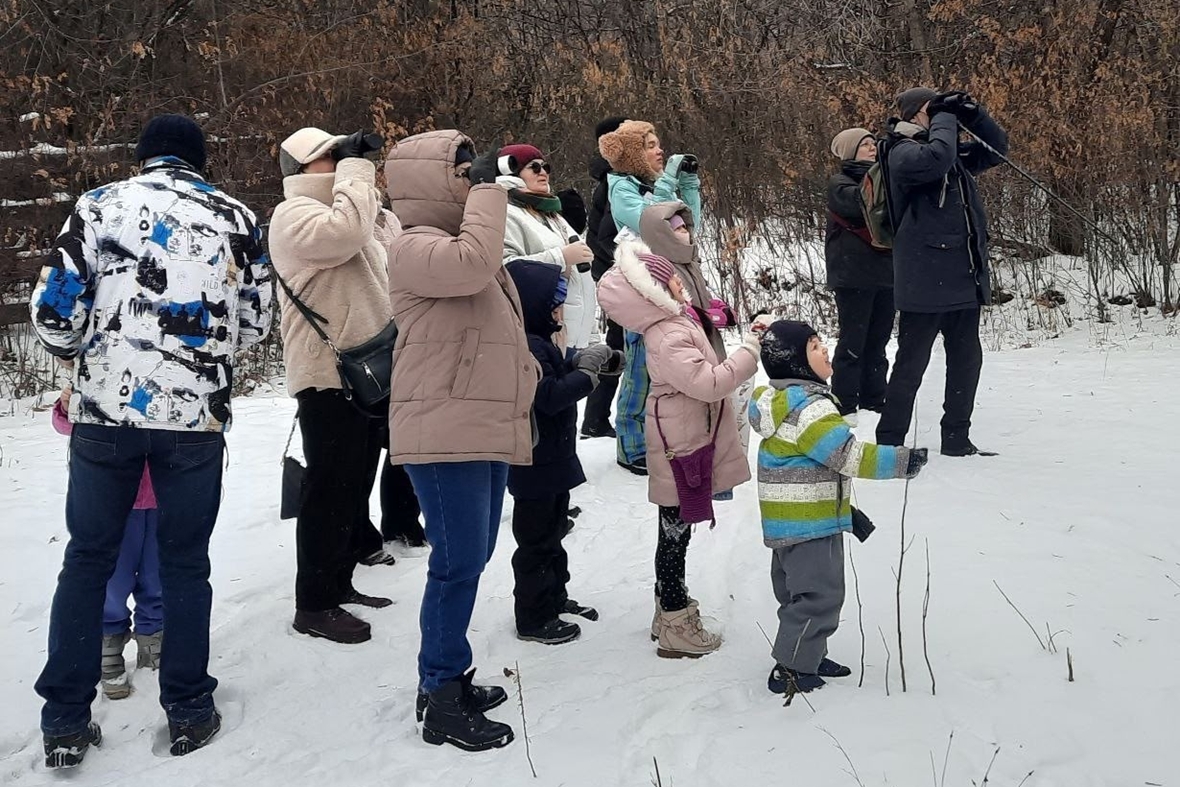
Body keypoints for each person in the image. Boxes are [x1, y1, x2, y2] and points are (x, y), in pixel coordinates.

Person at [29, 113, 272, 766]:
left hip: (104, 415)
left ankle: (64, 721)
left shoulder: (98, 206)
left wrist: (82, 356)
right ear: (198, 160)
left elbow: (53, 309)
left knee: (87, 559)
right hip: (194, 419)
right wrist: (204, 355)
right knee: (186, 561)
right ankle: (189, 707)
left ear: (142, 159)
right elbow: (257, 320)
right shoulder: (239, 217)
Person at [385, 130, 538, 752]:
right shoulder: (414, 247)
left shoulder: (457, 242)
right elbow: (474, 265)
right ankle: (441, 693)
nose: (470, 176)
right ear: (426, 179)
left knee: (468, 560)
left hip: (475, 425)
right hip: (442, 430)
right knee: (455, 564)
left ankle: (443, 678)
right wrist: (486, 188)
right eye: (459, 168)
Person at [597, 239, 762, 658]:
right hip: (682, 444)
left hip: (685, 436)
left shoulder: (676, 320)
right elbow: (707, 383)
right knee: (675, 532)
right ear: (653, 290)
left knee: (676, 529)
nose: (676, 277)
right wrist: (749, 354)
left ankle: (666, 608)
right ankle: (675, 620)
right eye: (665, 273)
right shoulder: (668, 333)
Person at [270, 127, 400, 645]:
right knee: (329, 490)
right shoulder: (293, 217)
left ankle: (339, 581)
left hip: (366, 371)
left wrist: (363, 186)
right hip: (327, 375)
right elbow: (343, 235)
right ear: (301, 169)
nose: (343, 161)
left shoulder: (353, 210)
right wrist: (355, 171)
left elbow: (384, 242)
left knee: (354, 484)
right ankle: (315, 603)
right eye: (329, 156)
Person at [748, 320, 927, 694]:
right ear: (796, 362)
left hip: (787, 525)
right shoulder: (810, 410)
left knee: (798, 594)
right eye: (814, 346)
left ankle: (806, 653)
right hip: (811, 525)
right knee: (819, 596)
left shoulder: (780, 405)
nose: (825, 350)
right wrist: (901, 461)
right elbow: (847, 456)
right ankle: (792, 670)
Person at [874, 88, 1009, 455]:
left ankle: (956, 437)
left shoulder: (946, 147)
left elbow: (997, 150)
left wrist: (974, 115)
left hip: (963, 274)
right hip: (923, 278)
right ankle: (889, 441)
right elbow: (936, 160)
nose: (942, 118)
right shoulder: (901, 151)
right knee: (911, 363)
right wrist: (945, 118)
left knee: (967, 360)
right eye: (933, 110)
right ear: (918, 113)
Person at [505, 260, 621, 645]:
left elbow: (556, 376)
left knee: (554, 532)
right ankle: (534, 616)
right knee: (536, 541)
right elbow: (549, 396)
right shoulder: (525, 345)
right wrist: (586, 374)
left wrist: (585, 361)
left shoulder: (540, 339)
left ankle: (554, 597)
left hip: (552, 459)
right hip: (534, 462)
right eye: (554, 302)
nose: (560, 309)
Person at [597, 119, 702, 475]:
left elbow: (687, 224)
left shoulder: (656, 184)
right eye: (650, 145)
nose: (660, 151)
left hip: (672, 278)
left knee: (674, 361)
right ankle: (632, 445)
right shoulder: (620, 187)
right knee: (641, 363)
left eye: (660, 144)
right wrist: (669, 181)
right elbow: (652, 222)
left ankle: (663, 436)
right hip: (639, 286)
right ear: (630, 155)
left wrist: (688, 184)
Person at [51, 384, 162, 701]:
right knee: (113, 578)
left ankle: (153, 639)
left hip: (161, 498)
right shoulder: (105, 373)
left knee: (159, 574)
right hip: (113, 503)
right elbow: (66, 425)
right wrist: (67, 404)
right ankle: (108, 644)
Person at [497, 143, 598, 354]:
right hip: (539, 335)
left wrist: (591, 337)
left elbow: (582, 281)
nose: (542, 172)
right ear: (511, 171)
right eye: (534, 167)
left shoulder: (551, 213)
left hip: (571, 336)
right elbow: (506, 269)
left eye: (546, 167)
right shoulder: (504, 212)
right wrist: (561, 256)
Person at [825, 127, 895, 425]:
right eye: (865, 144)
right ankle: (845, 401)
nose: (872, 147)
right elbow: (859, 204)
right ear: (851, 151)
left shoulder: (886, 179)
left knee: (878, 342)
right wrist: (884, 173)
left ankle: (875, 398)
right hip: (852, 276)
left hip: (886, 274)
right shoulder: (839, 183)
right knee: (853, 342)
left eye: (873, 143)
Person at [582, 116, 628, 439]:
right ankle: (597, 418)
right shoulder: (613, 182)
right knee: (620, 344)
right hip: (617, 276)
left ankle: (597, 417)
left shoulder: (615, 178)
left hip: (611, 273)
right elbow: (605, 235)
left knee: (619, 343)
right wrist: (627, 265)